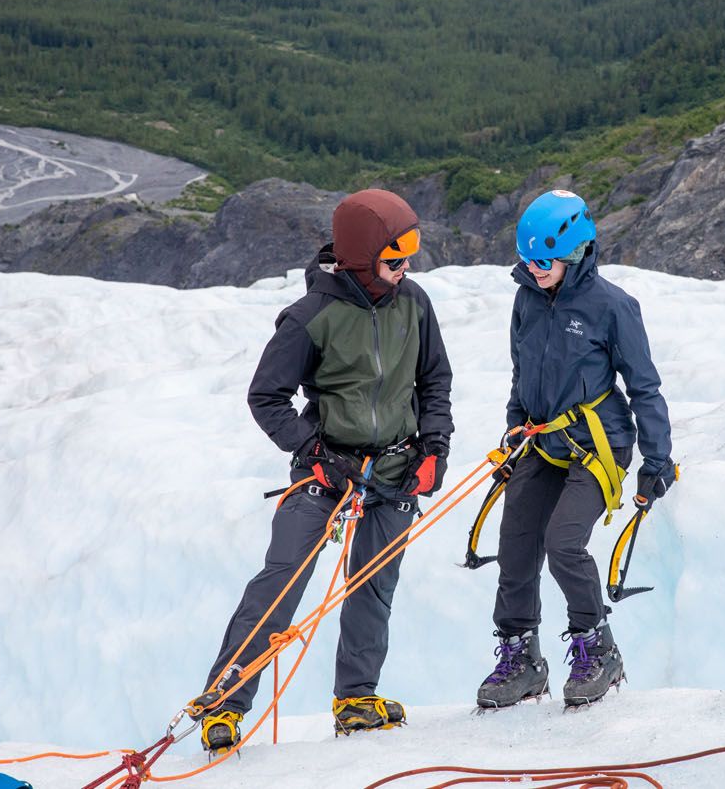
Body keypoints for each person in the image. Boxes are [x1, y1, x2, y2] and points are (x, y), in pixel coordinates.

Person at [198, 189, 453, 749]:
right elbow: (267, 397)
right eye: (394, 254)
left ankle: (356, 699)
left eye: (410, 250)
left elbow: (434, 380)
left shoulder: (415, 303)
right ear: (362, 256)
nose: (406, 264)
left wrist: (435, 445)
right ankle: (224, 702)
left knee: (372, 585)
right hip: (324, 474)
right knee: (281, 581)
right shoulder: (311, 317)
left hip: (394, 469)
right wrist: (314, 452)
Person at [476, 189, 677, 711]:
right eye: (526, 259)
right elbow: (522, 374)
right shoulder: (526, 299)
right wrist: (516, 429)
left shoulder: (612, 306)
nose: (533, 269)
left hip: (599, 446)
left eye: (543, 261)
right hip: (542, 441)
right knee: (517, 542)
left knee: (564, 544)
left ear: (574, 252)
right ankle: (521, 658)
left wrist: (657, 460)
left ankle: (596, 646)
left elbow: (644, 387)